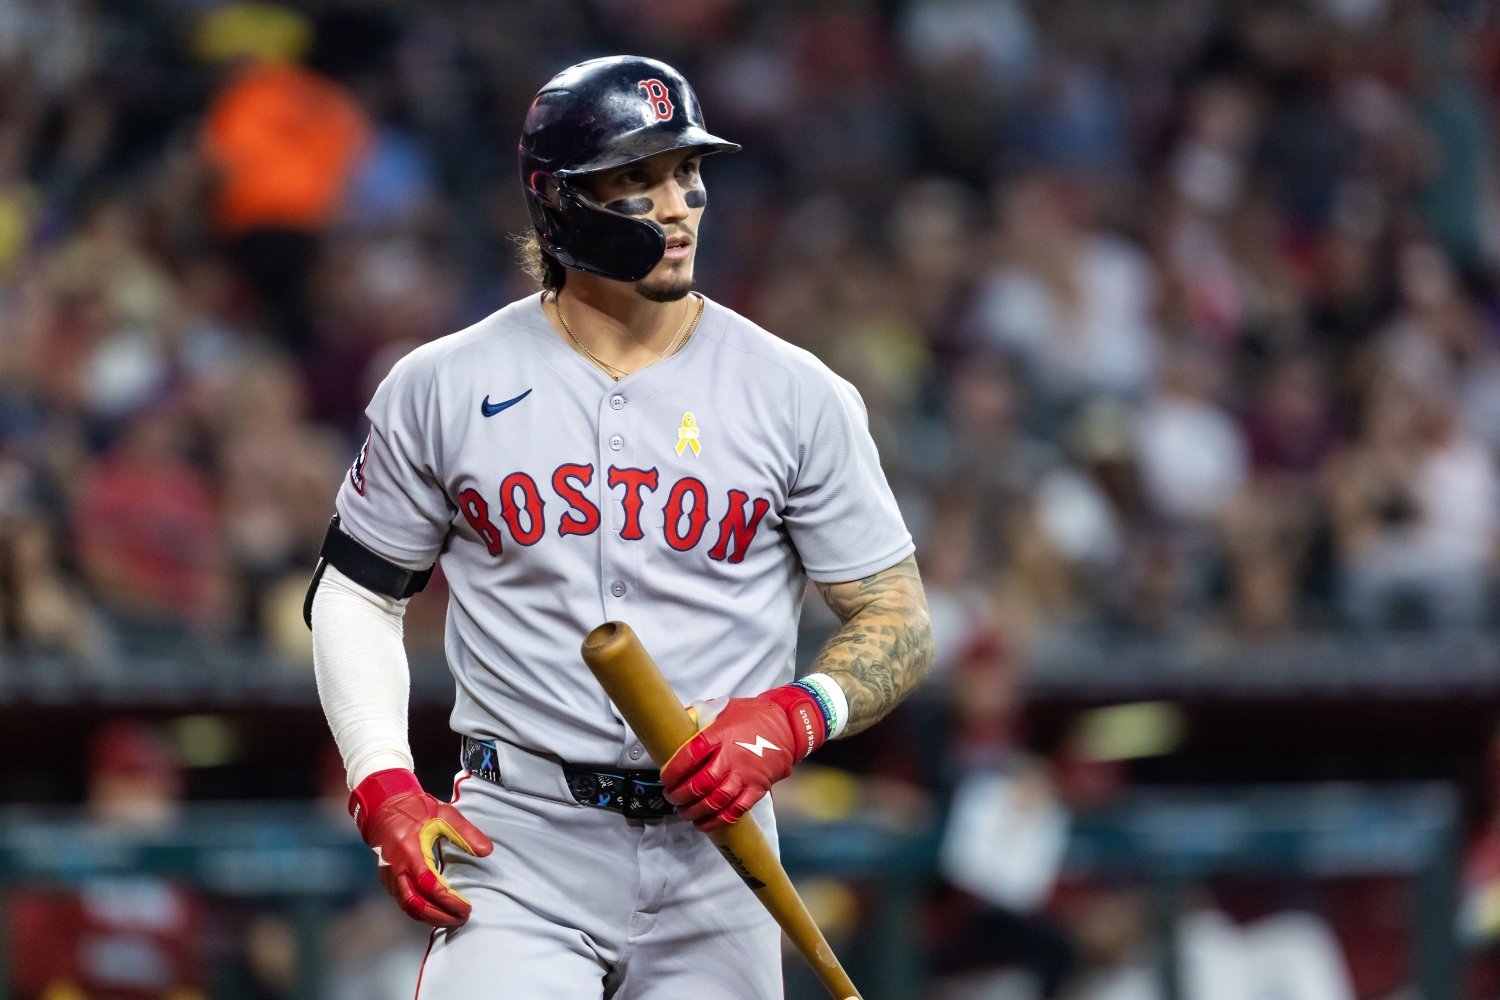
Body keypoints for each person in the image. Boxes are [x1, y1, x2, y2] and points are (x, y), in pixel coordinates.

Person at [304, 55, 932, 999]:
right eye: (636, 179)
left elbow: (899, 618)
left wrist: (796, 717)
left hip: (718, 858)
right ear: (558, 203)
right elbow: (355, 598)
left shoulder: (796, 393)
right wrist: (383, 781)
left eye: (687, 173)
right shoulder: (442, 384)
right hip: (521, 839)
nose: (677, 204)